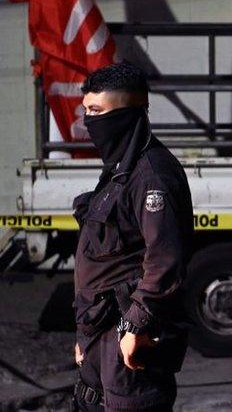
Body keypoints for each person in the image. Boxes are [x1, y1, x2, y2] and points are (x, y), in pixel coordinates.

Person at [71, 62, 194, 411]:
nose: (89, 122)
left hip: (127, 345)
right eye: (86, 111)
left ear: (127, 114)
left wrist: (134, 325)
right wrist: (85, 337)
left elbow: (166, 261)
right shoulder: (117, 173)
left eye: (97, 112)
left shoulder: (152, 176)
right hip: (101, 340)